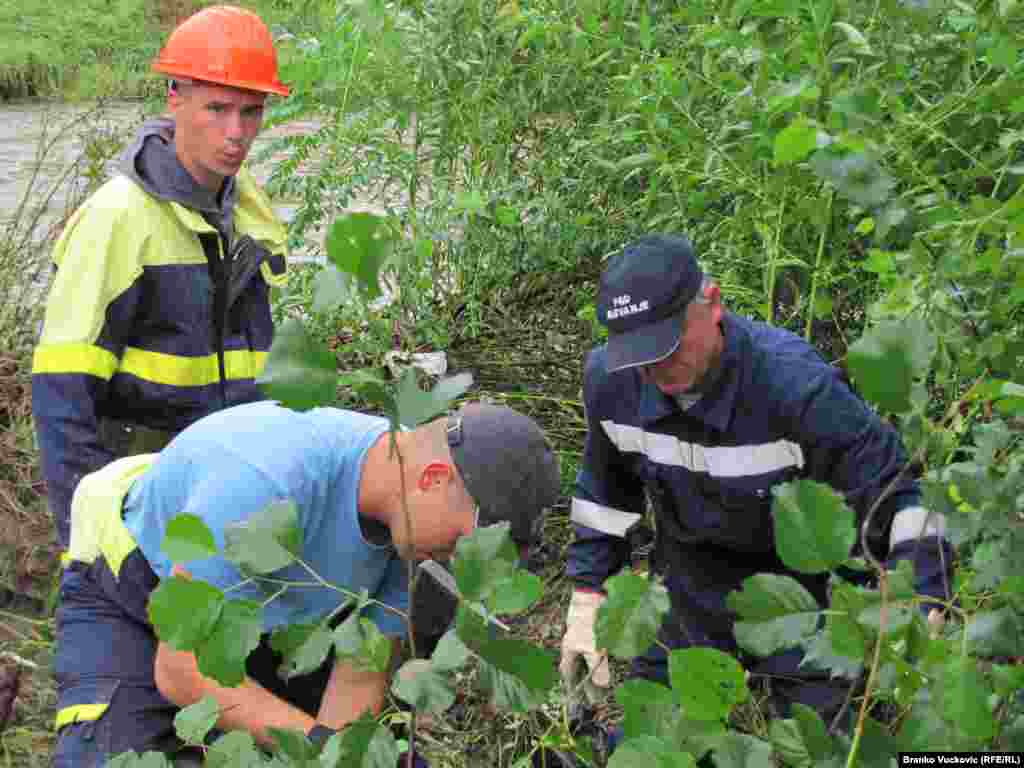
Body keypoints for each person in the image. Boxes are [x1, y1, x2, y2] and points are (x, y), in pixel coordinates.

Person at [560, 234, 951, 740]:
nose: (655, 370)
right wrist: (587, 594)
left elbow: (897, 495)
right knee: (656, 739)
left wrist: (920, 594)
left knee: (823, 745)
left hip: (807, 596)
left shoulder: (796, 386)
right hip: (689, 587)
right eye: (638, 355)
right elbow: (605, 496)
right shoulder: (613, 382)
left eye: (668, 348)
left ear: (712, 304)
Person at [52, 399, 560, 767]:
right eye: (467, 540)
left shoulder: (410, 534)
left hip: (254, 615)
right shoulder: (268, 480)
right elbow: (181, 670)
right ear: (432, 479)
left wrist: (340, 753)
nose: (461, 558)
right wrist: (318, 747)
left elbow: (357, 680)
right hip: (133, 584)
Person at [31, 5, 290, 550]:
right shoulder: (117, 219)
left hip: (229, 494)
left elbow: (259, 371)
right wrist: (92, 541)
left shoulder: (250, 210)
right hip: (139, 498)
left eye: (251, 112)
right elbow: (62, 396)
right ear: (175, 98)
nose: (236, 133)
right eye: (217, 109)